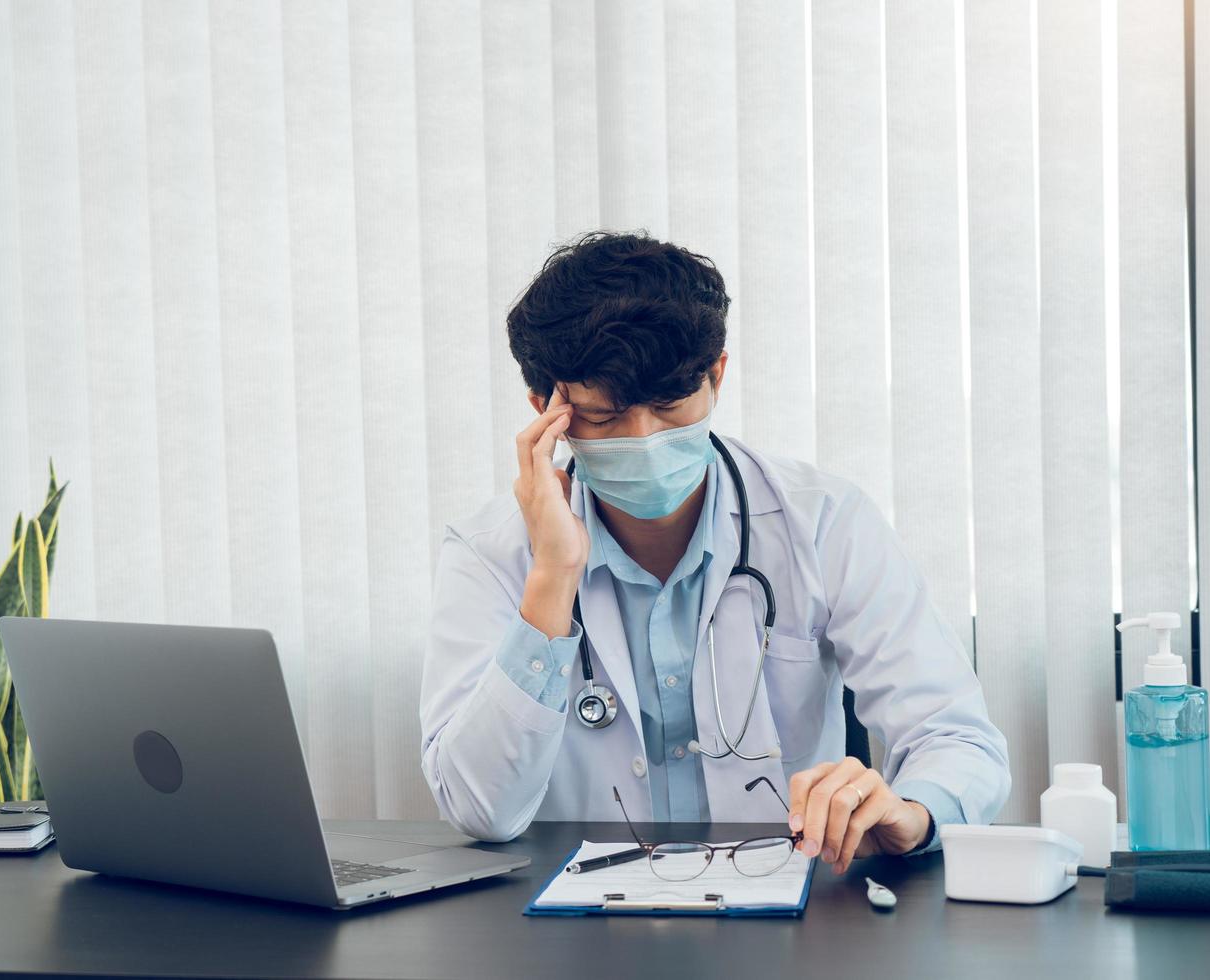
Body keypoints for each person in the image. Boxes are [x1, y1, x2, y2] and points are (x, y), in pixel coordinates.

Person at [418, 230, 1010, 876]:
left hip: (785, 923)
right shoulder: (488, 554)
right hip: (582, 933)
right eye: (607, 417)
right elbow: (480, 808)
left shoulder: (822, 522)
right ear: (546, 408)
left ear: (716, 375)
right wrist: (552, 579)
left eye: (670, 404)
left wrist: (912, 810)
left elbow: (958, 739)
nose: (644, 438)